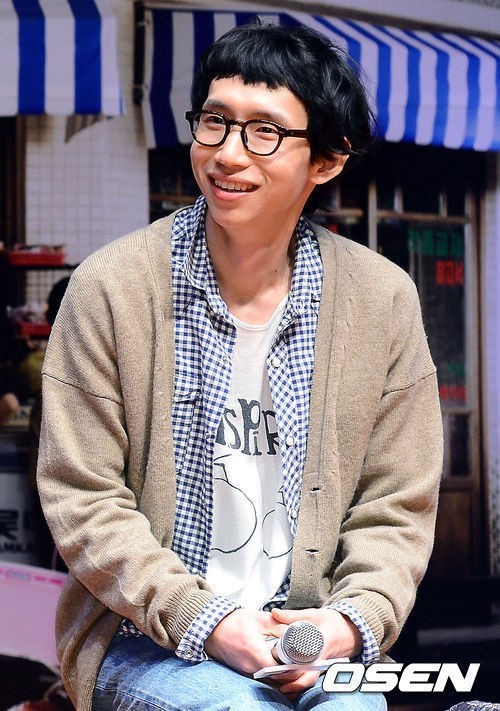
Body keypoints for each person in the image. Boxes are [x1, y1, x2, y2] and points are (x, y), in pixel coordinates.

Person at [37, 21, 443, 711]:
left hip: (309, 635)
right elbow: (83, 497)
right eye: (215, 121)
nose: (228, 153)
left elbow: (397, 504)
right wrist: (209, 620)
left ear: (327, 160)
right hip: (144, 637)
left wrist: (349, 624)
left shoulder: (381, 299)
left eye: (264, 132)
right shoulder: (112, 287)